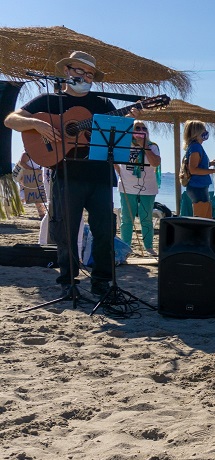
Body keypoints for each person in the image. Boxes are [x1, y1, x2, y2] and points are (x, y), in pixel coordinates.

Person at [4, 51, 136, 297]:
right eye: (80, 71)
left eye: (90, 74)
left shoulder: (103, 104)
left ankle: (101, 283)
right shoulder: (48, 101)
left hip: (99, 175)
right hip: (65, 174)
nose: (85, 77)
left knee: (104, 231)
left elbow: (117, 134)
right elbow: (11, 120)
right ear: (66, 71)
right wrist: (37, 123)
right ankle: (68, 282)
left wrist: (132, 116)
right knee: (66, 231)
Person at [115, 120, 161, 256]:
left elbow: (156, 163)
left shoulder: (153, 146)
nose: (140, 131)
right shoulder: (124, 145)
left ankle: (149, 247)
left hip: (148, 187)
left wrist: (144, 146)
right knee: (127, 219)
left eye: (143, 128)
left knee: (146, 218)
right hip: (127, 187)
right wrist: (121, 173)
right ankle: (126, 247)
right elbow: (114, 160)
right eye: (137, 128)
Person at [182, 120, 215, 219]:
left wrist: (210, 164)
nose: (205, 132)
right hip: (197, 187)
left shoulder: (194, 147)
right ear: (197, 132)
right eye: (203, 130)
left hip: (199, 187)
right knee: (200, 219)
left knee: (206, 217)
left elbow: (197, 165)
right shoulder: (195, 147)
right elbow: (194, 169)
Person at [13, 152, 47, 218]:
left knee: (33, 195)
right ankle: (41, 213)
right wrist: (33, 170)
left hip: (35, 176)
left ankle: (41, 213)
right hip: (26, 176)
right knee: (33, 195)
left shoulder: (39, 155)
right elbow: (22, 163)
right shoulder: (26, 154)